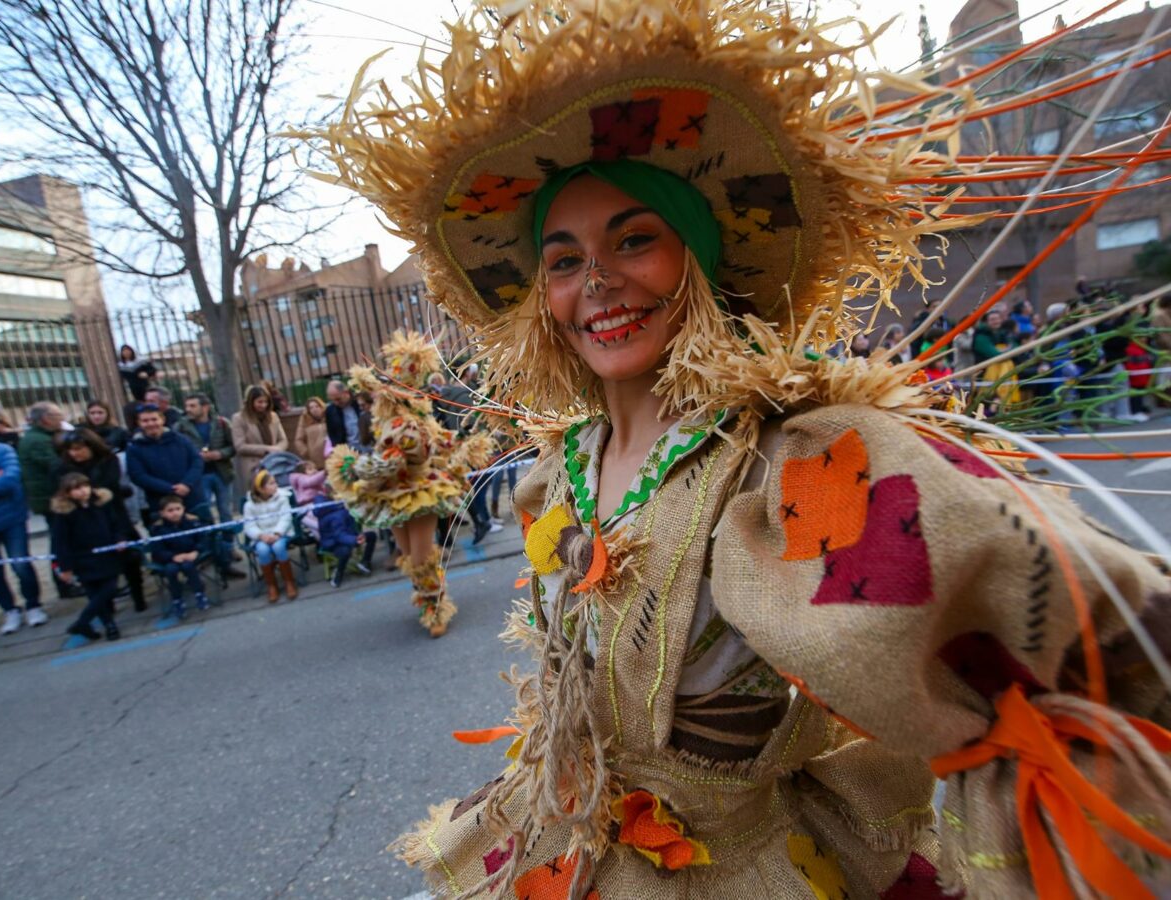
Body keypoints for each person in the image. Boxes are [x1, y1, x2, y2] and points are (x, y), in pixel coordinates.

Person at [310, 4, 1171, 896]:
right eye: (562, 261)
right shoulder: (557, 470)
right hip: (563, 839)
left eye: (634, 238)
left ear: (702, 257)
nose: (595, 281)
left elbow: (1061, 619)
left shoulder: (788, 464)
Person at [326, 333, 491, 637]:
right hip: (391, 492)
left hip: (420, 490)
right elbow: (387, 458)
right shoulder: (390, 418)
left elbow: (399, 457)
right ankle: (427, 598)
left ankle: (436, 607)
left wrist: (352, 468)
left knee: (421, 556)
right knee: (407, 556)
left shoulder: (413, 419)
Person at [53, 428, 147, 612]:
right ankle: (106, 608)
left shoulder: (107, 461)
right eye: (72, 449)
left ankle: (139, 597)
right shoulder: (62, 468)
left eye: (80, 448)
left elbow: (110, 486)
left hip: (113, 513)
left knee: (130, 560)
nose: (75, 453)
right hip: (81, 521)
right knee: (95, 569)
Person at [0, 423, 46, 634]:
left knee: (21, 564)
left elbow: (10, 481)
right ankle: (10, 610)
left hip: (11, 519)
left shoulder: (1, 450)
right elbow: (1, 486)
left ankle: (33, 605)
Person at [173, 392, 243, 576]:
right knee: (204, 515)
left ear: (205, 407)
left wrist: (219, 454)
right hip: (198, 477)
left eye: (192, 406)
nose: (188, 409)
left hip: (221, 473)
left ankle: (229, 548)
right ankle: (211, 551)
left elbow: (234, 446)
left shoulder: (221, 423)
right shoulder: (180, 427)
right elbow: (177, 449)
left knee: (225, 512)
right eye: (187, 406)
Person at [49, 472, 125, 642]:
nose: (82, 491)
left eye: (84, 486)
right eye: (76, 489)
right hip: (82, 559)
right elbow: (60, 542)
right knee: (94, 593)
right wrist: (65, 567)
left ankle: (83, 622)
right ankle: (109, 625)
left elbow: (115, 524)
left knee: (110, 588)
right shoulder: (64, 514)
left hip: (107, 555)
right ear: (67, 493)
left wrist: (119, 539)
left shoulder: (101, 504)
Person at [17, 401, 81, 598]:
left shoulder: (42, 436)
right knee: (60, 541)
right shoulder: (38, 441)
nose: (62, 420)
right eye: (57, 416)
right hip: (51, 499)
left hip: (51, 496)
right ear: (45, 419)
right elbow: (57, 465)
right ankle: (65, 583)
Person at [126, 404, 204, 513]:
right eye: (145, 421)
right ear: (139, 423)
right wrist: (170, 488)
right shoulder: (134, 448)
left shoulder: (181, 440)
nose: (151, 424)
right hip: (161, 503)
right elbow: (138, 475)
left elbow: (196, 462)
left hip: (193, 497)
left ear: (162, 419)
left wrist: (187, 483)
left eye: (154, 419)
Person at [149, 495, 210, 618]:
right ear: (162, 513)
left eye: (178, 509)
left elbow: (203, 540)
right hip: (171, 558)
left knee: (188, 566)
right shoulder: (157, 529)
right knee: (171, 570)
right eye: (170, 510)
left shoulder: (193, 522)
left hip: (191, 555)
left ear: (183, 509)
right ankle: (177, 599)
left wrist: (196, 551)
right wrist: (172, 557)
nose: (175, 513)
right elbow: (157, 550)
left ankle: (199, 593)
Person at [242, 469, 296, 602]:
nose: (275, 485)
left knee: (278, 547)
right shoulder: (249, 505)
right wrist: (261, 536)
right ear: (261, 489)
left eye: (275, 482)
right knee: (262, 550)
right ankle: (271, 585)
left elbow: (286, 518)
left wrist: (277, 533)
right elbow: (249, 525)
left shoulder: (282, 498)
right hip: (262, 537)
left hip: (281, 533)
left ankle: (289, 581)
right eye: (271, 483)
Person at [232, 385, 288, 494]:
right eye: (259, 402)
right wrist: (267, 449)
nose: (263, 405)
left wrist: (277, 449)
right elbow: (240, 446)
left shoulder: (273, 416)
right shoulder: (239, 418)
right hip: (253, 466)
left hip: (274, 464)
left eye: (265, 402)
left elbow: (283, 440)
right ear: (251, 402)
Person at [316, 485, 373, 587]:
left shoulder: (340, 509)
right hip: (334, 543)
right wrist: (355, 539)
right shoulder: (336, 514)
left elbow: (349, 526)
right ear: (333, 496)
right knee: (345, 551)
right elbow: (339, 535)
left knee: (372, 536)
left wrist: (357, 535)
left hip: (348, 537)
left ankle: (365, 562)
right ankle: (339, 573)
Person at [289, 459, 326, 537]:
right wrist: (324, 473)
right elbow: (310, 481)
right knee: (318, 526)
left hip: (319, 504)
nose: (315, 471)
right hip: (307, 507)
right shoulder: (300, 479)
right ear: (301, 472)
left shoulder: (318, 480)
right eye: (310, 469)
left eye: (315, 468)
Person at [324, 379, 362, 451]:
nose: (336, 403)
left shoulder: (359, 402)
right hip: (348, 452)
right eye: (332, 400)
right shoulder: (330, 411)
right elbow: (333, 435)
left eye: (338, 399)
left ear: (346, 392)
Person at [293, 396, 328, 469]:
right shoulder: (305, 420)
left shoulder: (329, 416)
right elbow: (298, 440)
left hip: (331, 458)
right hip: (315, 461)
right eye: (311, 408)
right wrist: (306, 452)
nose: (314, 409)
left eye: (317, 406)